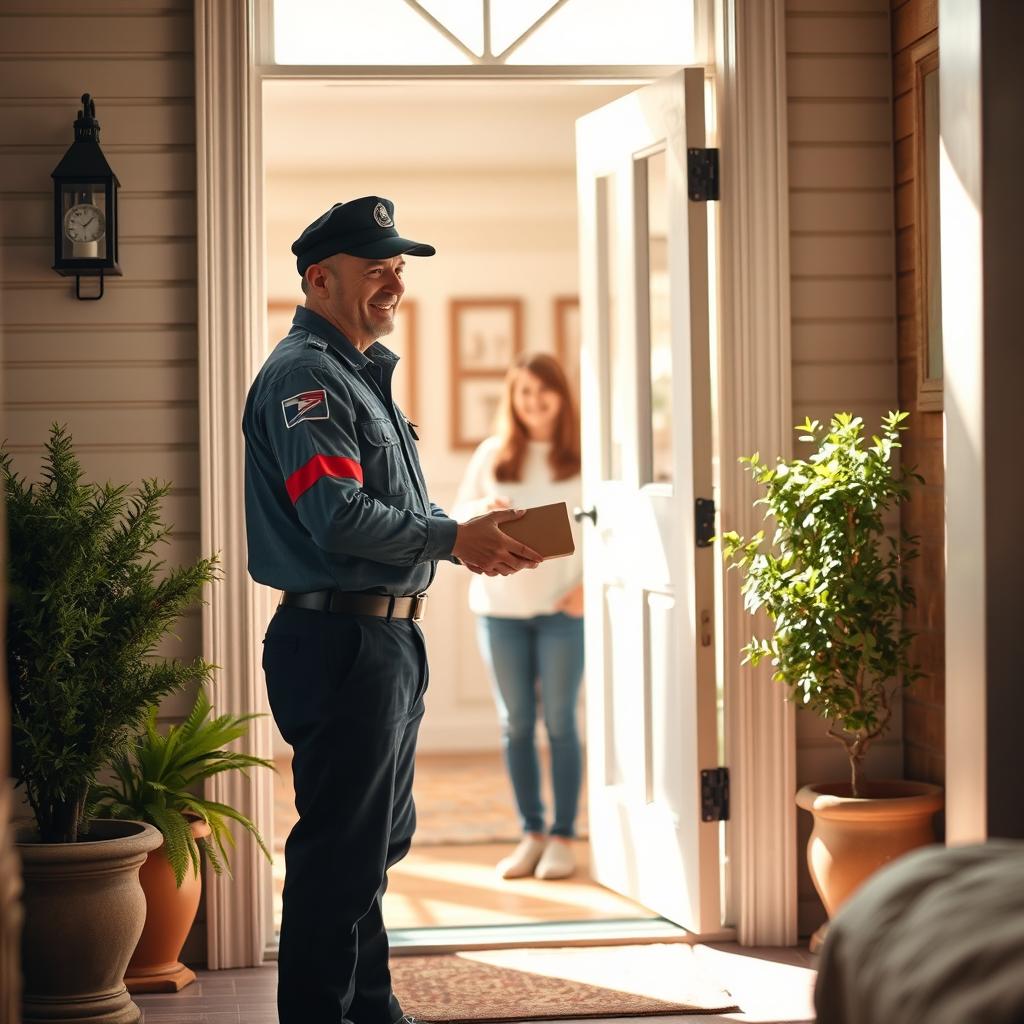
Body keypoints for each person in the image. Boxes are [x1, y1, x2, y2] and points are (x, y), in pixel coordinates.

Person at [242, 196, 542, 1024]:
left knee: (371, 848)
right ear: (319, 278)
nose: (392, 282)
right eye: (374, 269)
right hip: (340, 639)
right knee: (341, 856)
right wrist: (454, 539)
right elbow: (335, 515)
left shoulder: (358, 376)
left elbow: (382, 508)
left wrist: (474, 532)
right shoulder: (306, 377)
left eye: (397, 269)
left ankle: (372, 1011)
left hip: (381, 640)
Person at [452, 352, 585, 881]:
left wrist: (587, 590)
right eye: (524, 393)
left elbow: (609, 529)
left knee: (559, 723)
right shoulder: (493, 454)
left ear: (560, 397)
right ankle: (531, 832)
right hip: (500, 611)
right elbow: (458, 518)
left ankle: (563, 836)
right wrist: (486, 503)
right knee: (516, 725)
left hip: (561, 612)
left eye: (543, 392)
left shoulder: (582, 456)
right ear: (513, 398)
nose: (534, 402)